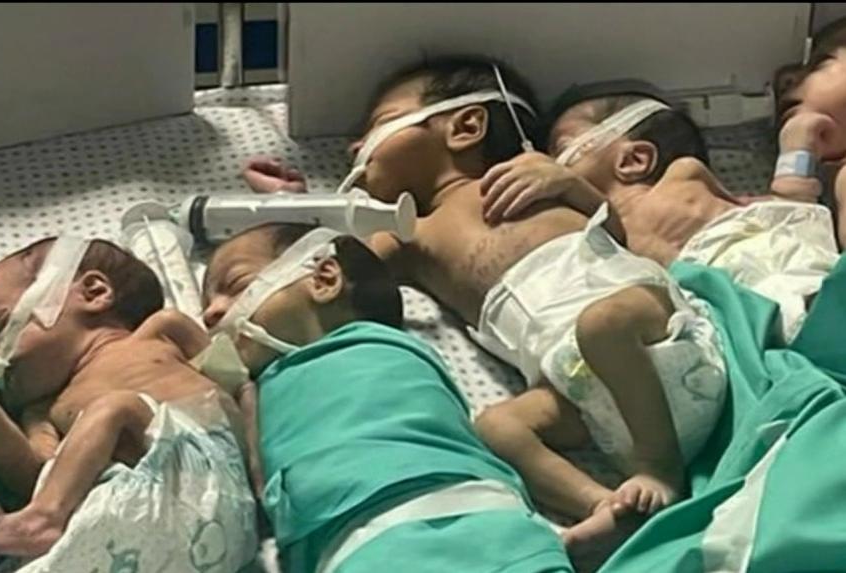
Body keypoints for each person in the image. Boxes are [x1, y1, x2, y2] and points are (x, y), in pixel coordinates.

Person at [236, 56, 727, 548]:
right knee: (497, 426)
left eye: (381, 123)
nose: (354, 148)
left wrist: (571, 185)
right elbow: (335, 268)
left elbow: (615, 234)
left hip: (656, 336)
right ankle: (608, 507)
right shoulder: (412, 235)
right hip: (584, 394)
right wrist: (295, 201)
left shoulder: (531, 175)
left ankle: (660, 470)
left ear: (466, 127)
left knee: (602, 324)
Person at [201, 222, 573, 572]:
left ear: (324, 278)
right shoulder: (258, 392)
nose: (210, 313)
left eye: (236, 284)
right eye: (207, 304)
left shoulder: (378, 344)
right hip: (355, 551)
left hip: (475, 525)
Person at [0, 237, 250, 559]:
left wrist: (259, 463)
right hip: (146, 525)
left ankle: (43, 520)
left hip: (213, 473)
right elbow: (32, 477)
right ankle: (43, 520)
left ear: (93, 293)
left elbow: (238, 383)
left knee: (117, 406)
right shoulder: (42, 413)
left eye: (0, 327)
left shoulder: (163, 331)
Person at [482, 80, 839, 342]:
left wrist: (797, 151)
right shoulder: (590, 231)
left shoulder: (684, 175)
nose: (551, 162)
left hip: (792, 271)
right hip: (740, 322)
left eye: (561, 148)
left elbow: (789, 209)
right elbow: (609, 233)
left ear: (634, 160)